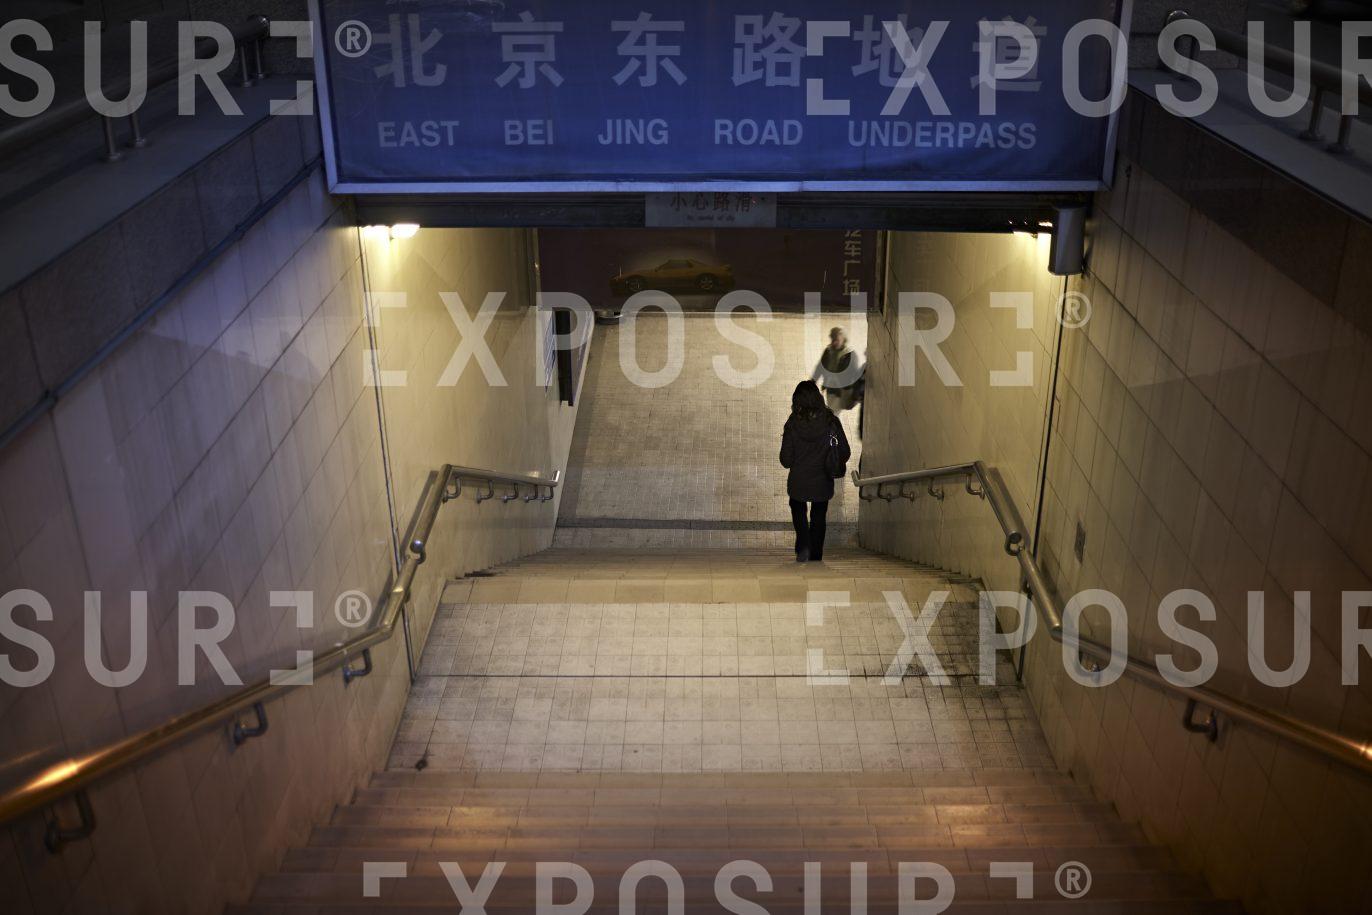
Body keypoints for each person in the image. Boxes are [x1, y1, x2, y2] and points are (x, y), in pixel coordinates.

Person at [779, 380, 851, 563]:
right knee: (819, 514)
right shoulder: (830, 421)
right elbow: (845, 451)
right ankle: (816, 554)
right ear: (818, 398)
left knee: (798, 508)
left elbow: (786, 460)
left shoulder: (793, 423)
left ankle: (803, 546)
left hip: (799, 481)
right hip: (822, 479)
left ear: (797, 400)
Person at [812, 326, 862, 415]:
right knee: (832, 413)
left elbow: (855, 376)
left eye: (837, 340)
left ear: (843, 339)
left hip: (840, 392)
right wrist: (813, 381)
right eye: (833, 340)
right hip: (830, 389)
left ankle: (831, 427)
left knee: (832, 414)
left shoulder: (850, 355)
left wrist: (855, 396)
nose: (834, 342)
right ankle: (833, 426)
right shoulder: (828, 351)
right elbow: (820, 366)